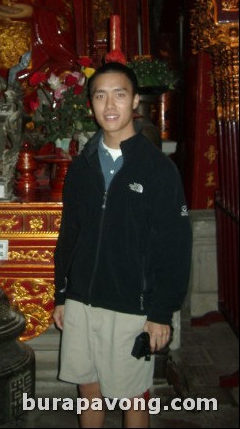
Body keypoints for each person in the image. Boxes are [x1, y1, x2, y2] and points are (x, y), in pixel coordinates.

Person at [53, 62, 192, 428]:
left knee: (133, 396)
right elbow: (70, 233)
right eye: (100, 95)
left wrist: (162, 312)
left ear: (134, 103)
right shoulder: (81, 166)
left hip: (132, 305)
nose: (109, 105)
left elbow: (174, 246)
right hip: (82, 300)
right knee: (88, 389)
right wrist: (62, 294)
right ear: (90, 104)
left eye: (119, 94)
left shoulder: (158, 169)